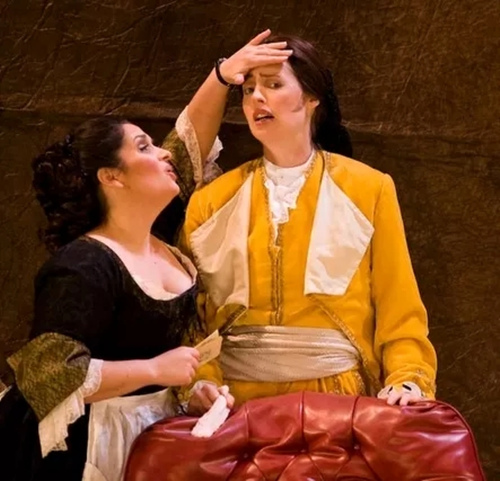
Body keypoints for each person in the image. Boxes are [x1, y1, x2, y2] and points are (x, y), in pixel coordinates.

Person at [0, 31, 291, 481]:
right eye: (143, 147)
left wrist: (222, 77)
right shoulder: (84, 265)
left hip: (149, 431)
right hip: (83, 444)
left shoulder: (160, 236)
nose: (162, 153)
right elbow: (48, 376)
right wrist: (156, 369)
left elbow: (188, 149)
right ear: (112, 177)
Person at [181, 33, 438, 416]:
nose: (257, 98)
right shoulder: (211, 201)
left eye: (273, 84)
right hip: (235, 406)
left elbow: (398, 306)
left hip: (338, 403)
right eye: (248, 90)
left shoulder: (368, 189)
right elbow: (192, 318)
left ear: (312, 97)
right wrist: (200, 381)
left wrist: (408, 377)